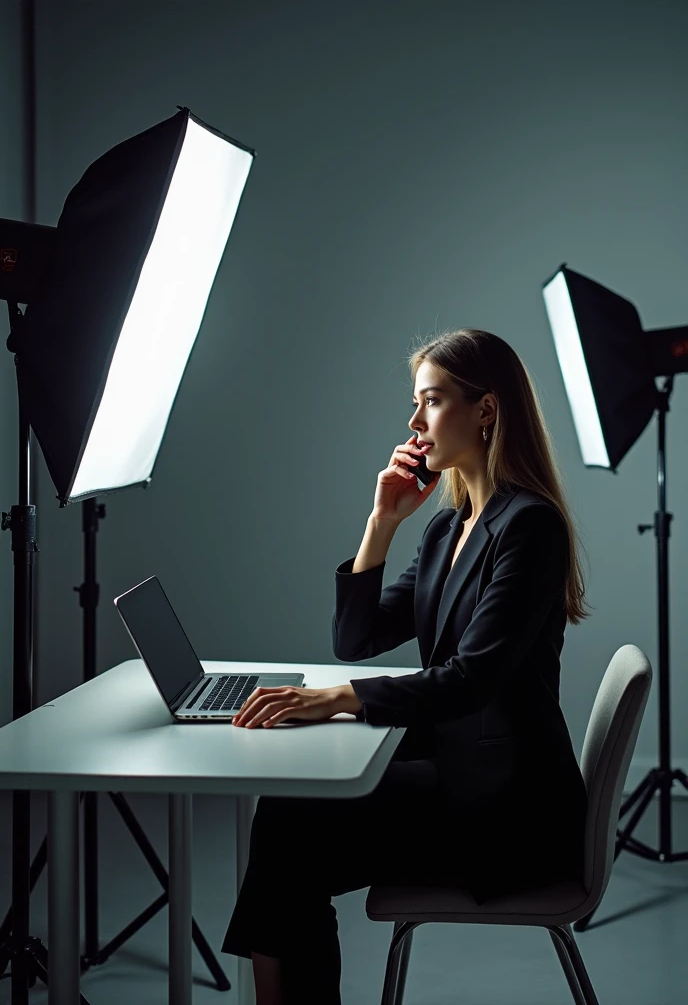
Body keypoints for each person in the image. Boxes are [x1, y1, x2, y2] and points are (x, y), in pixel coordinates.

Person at [221, 328, 590, 1005]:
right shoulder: (448, 527)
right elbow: (356, 638)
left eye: (432, 401)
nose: (415, 423)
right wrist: (382, 520)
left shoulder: (530, 526)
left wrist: (339, 700)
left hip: (510, 810)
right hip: (460, 776)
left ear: (485, 410)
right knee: (285, 818)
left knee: (291, 832)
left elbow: (472, 678)